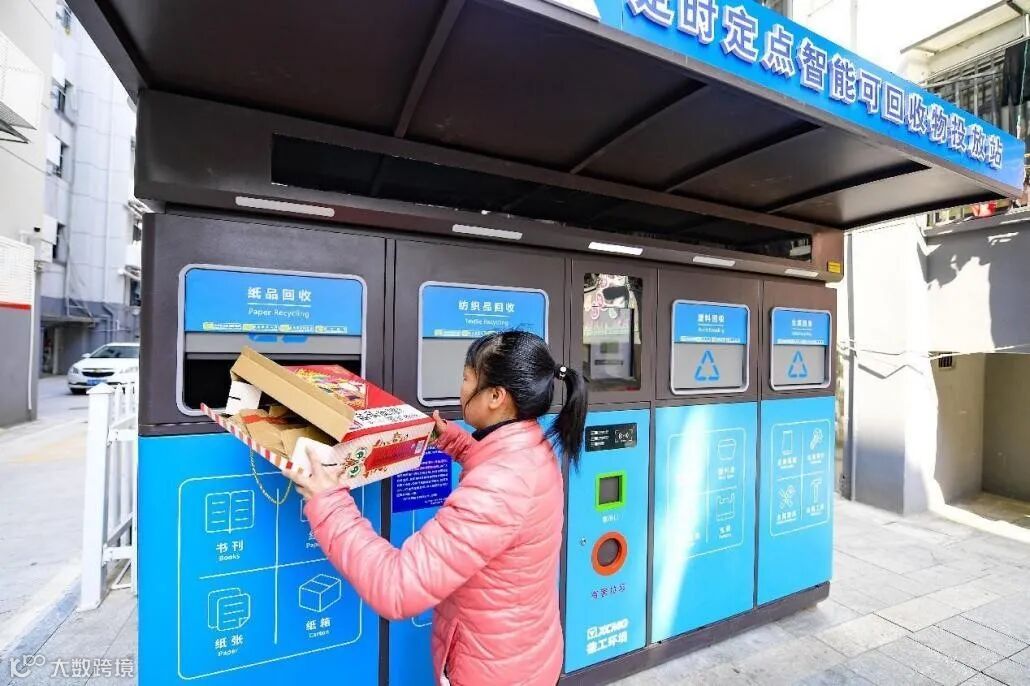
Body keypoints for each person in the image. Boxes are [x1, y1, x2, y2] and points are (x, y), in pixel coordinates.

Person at [282, 330, 587, 686]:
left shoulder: (501, 483)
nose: (461, 388)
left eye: (467, 378)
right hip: (525, 653)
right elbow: (501, 480)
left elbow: (397, 587)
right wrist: (455, 442)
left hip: (493, 673)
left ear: (495, 397)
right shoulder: (531, 446)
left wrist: (328, 500)